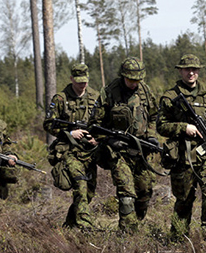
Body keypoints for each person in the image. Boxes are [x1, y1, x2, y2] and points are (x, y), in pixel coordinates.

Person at [157, 54, 206, 238]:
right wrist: (183, 128)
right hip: (184, 157)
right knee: (183, 202)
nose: (191, 73)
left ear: (199, 71)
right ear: (180, 70)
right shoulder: (170, 97)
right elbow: (161, 126)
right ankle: (177, 241)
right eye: (187, 69)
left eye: (194, 69)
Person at [89, 57, 159, 232]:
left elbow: (154, 116)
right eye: (130, 80)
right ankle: (128, 237)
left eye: (137, 80)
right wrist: (108, 140)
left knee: (144, 192)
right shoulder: (109, 93)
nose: (134, 84)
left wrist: (150, 136)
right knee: (126, 194)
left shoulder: (145, 91)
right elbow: (94, 124)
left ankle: (137, 224)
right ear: (123, 76)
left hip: (142, 151)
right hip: (118, 153)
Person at [43, 63, 100, 230]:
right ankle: (85, 228)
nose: (82, 84)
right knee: (81, 185)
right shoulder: (60, 99)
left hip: (89, 152)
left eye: (85, 81)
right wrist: (69, 133)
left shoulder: (95, 97)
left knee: (89, 192)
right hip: (68, 151)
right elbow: (48, 124)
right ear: (71, 79)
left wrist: (96, 138)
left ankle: (70, 225)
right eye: (79, 81)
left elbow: (103, 123)